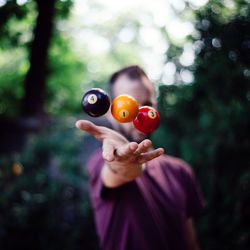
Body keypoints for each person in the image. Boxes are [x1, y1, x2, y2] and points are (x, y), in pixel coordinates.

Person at [76, 65, 205, 250]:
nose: (139, 114)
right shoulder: (104, 160)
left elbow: (191, 242)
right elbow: (123, 171)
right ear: (112, 114)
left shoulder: (181, 171)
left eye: (148, 104)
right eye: (129, 105)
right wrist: (123, 163)